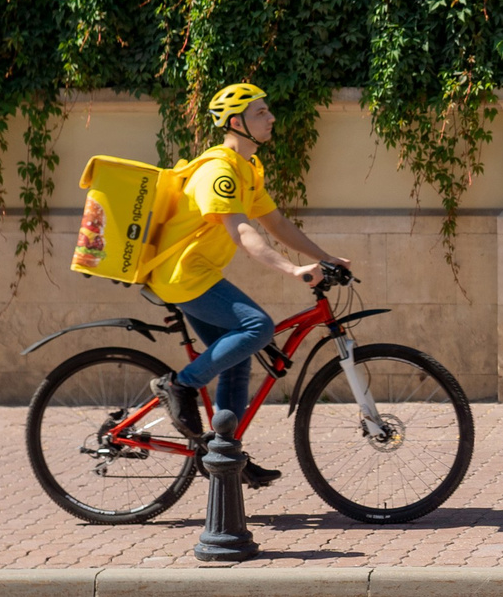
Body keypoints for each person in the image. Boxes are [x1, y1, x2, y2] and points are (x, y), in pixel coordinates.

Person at [143, 83, 351, 488]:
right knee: (257, 327)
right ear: (236, 123)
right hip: (182, 275)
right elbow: (241, 231)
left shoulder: (247, 169)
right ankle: (178, 385)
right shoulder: (218, 171)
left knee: (238, 359)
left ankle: (226, 454)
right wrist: (292, 270)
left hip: (199, 274)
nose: (271, 117)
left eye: (267, 110)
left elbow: (276, 223)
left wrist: (325, 257)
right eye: (260, 113)